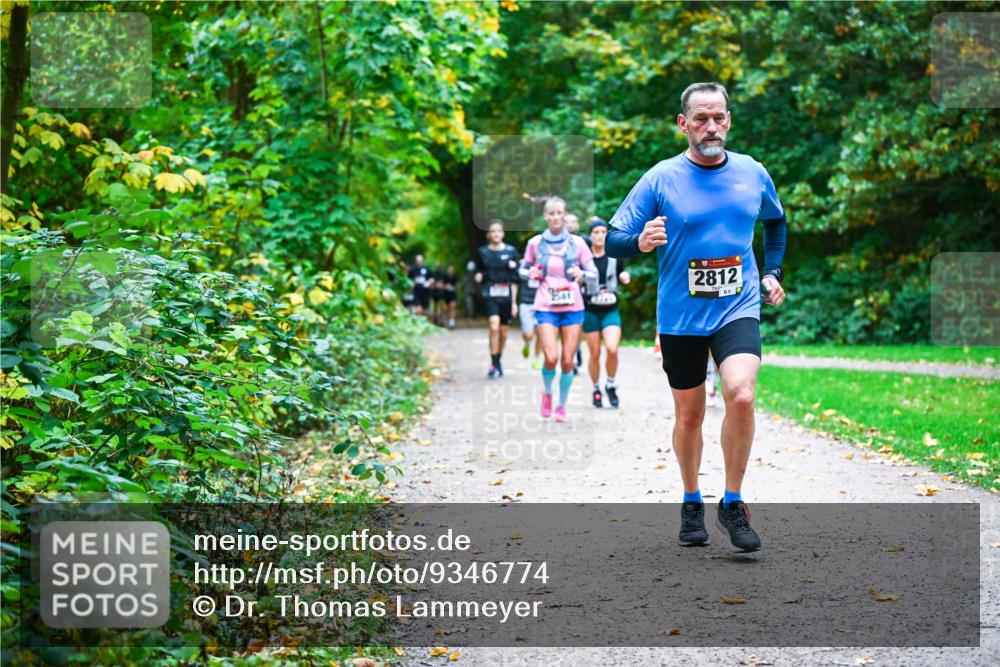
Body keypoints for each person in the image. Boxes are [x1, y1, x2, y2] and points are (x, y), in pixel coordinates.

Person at [606, 82, 787, 553]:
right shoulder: (661, 178)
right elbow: (613, 238)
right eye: (701, 119)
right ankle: (691, 500)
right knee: (690, 415)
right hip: (681, 315)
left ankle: (732, 501)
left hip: (737, 305)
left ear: (729, 120)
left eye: (719, 118)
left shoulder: (752, 172)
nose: (712, 127)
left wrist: (772, 272)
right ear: (683, 124)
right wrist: (640, 241)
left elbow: (776, 221)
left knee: (741, 395)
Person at [519, 197, 598, 423]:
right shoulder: (535, 243)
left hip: (573, 306)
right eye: (551, 213)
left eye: (559, 213)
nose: (555, 217)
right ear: (546, 216)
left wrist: (583, 275)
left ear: (564, 215)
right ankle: (547, 393)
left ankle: (561, 405)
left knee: (567, 360)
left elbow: (592, 273)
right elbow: (523, 270)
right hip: (546, 304)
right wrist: (531, 273)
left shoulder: (578, 244)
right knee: (551, 357)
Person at [582, 218, 630, 408]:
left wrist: (624, 277)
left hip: (610, 309)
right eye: (596, 232)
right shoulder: (583, 258)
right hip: (590, 311)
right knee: (594, 354)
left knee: (612, 348)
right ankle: (596, 389)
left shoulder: (614, 256)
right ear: (590, 235)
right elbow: (577, 277)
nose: (600, 235)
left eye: (603, 232)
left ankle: (610, 383)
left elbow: (621, 274)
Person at [475, 220, 520, 378]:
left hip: (506, 295)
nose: (496, 234)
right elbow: (478, 270)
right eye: (493, 231)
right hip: (490, 293)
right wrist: (478, 276)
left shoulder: (511, 251)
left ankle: (498, 358)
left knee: (503, 331)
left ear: (503, 233)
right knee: (493, 326)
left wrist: (514, 303)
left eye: (499, 231)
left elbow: (515, 280)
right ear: (488, 235)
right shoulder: (482, 252)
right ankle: (493, 362)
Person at [517, 252, 543, 369]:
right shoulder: (524, 266)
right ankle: (527, 343)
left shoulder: (546, 265)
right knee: (529, 335)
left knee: (541, 333)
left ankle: (537, 358)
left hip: (541, 303)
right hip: (526, 303)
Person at [440, 265, 458, 329]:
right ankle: (444, 321)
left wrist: (453, 287)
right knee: (445, 309)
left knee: (452, 308)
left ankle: (452, 323)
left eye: (452, 270)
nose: (450, 271)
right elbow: (441, 285)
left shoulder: (455, 277)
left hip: (452, 295)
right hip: (445, 295)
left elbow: (457, 286)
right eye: (449, 270)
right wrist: (445, 286)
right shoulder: (444, 277)